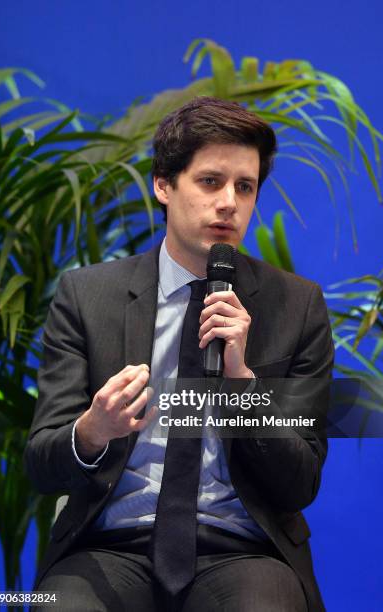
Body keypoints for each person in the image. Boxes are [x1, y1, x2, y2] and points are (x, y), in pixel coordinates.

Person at [25, 96, 334, 612]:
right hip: (109, 547)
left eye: (246, 186)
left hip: (242, 552)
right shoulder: (87, 297)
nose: (229, 203)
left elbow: (299, 484)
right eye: (210, 182)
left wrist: (242, 386)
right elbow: (42, 464)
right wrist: (93, 430)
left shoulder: (296, 308)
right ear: (163, 185)